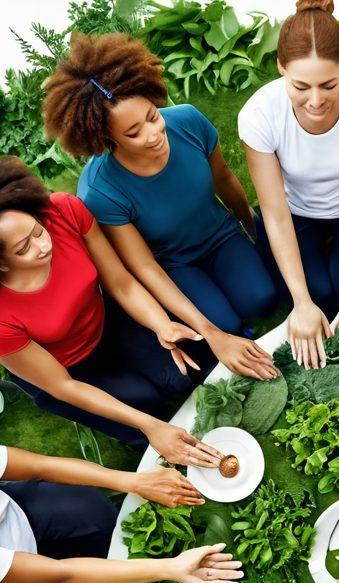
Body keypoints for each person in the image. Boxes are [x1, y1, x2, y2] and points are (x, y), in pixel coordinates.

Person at [0, 156, 222, 460]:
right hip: (69, 370)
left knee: (181, 375)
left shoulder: (63, 211)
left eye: (38, 230)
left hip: (106, 321)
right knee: (145, 406)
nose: (44, 245)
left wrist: (161, 323)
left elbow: (121, 283)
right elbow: (64, 386)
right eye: (23, 248)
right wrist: (149, 426)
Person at [43, 33, 279, 381]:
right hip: (175, 263)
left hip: (221, 236)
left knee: (262, 299)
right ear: (107, 141)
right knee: (223, 324)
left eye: (152, 117)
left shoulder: (188, 121)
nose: (153, 134)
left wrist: (254, 227)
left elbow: (225, 179)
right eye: (134, 133)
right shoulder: (100, 191)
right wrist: (213, 334)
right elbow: (145, 267)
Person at [239, 0, 339, 369]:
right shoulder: (258, 115)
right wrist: (300, 302)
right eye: (300, 86)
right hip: (295, 212)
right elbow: (275, 214)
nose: (315, 100)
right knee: (314, 295)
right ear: (281, 68)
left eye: (328, 84)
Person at [0, 438, 221, 583]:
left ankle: (115, 563)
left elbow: (41, 466)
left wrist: (133, 481)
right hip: (0, 580)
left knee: (96, 513)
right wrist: (170, 568)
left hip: (10, 508)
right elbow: (62, 571)